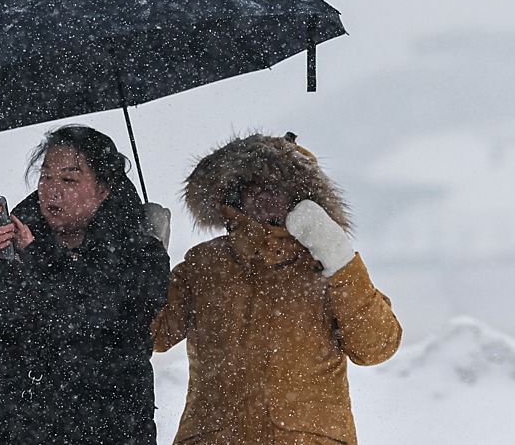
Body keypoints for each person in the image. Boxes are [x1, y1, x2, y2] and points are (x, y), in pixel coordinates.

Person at [152, 132, 402, 444]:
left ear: (301, 193)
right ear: (233, 194)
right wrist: (141, 263)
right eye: (251, 185)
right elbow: (151, 334)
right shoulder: (204, 264)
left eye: (277, 184)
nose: (263, 194)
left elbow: (376, 347)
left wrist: (338, 256)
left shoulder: (326, 263)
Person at [0, 125, 171, 444]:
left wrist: (38, 257)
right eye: (46, 177)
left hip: (105, 431)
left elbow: (90, 314)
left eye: (69, 179)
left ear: (104, 189)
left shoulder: (139, 254)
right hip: (12, 430)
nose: (52, 190)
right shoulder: (15, 243)